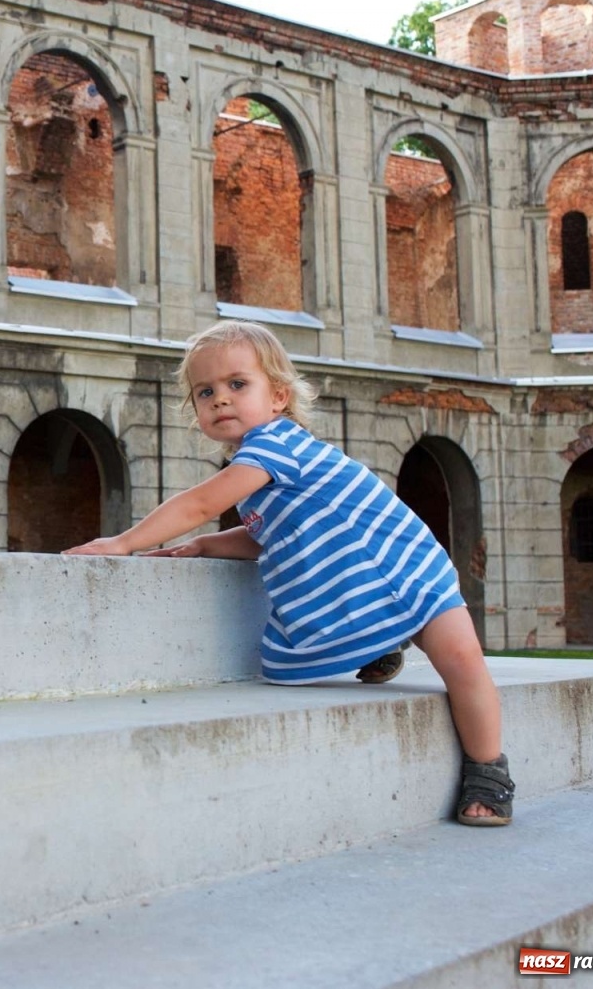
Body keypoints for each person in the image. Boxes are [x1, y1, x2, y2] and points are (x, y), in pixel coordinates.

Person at [64, 321, 514, 826]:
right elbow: (266, 534)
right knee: (287, 667)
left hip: (406, 569)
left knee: (462, 661)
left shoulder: (278, 445)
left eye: (238, 385)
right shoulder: (259, 470)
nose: (220, 400)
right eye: (205, 392)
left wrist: (125, 541)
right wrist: (206, 544)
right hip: (357, 580)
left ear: (278, 396)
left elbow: (202, 502)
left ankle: (488, 769)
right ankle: (380, 639)